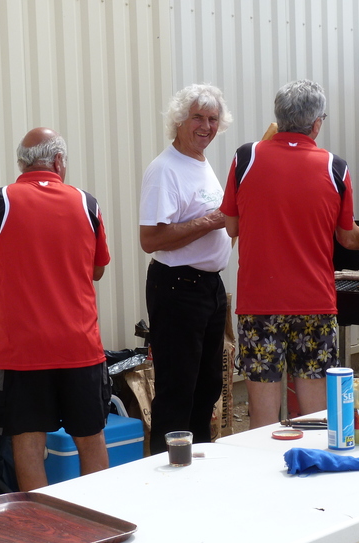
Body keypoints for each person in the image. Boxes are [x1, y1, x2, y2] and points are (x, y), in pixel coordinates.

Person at [0, 128, 111, 491]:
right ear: (59, 162)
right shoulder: (86, 203)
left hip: (25, 352)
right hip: (80, 346)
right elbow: (97, 270)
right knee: (90, 438)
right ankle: (100, 518)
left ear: (20, 164)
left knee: (29, 442)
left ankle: (39, 527)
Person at [220, 79, 359, 429]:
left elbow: (231, 227)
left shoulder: (246, 157)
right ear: (317, 123)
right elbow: (348, 238)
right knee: (316, 416)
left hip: (260, 304)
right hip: (314, 304)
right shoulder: (335, 167)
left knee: (264, 420)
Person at [139, 84, 233, 454]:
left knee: (207, 385)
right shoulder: (165, 170)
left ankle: (198, 464)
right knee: (178, 388)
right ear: (179, 120)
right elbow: (151, 238)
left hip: (208, 287)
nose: (206, 126)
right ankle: (165, 472)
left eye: (212, 119)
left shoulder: (201, 164)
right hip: (178, 287)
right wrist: (210, 223)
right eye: (197, 117)